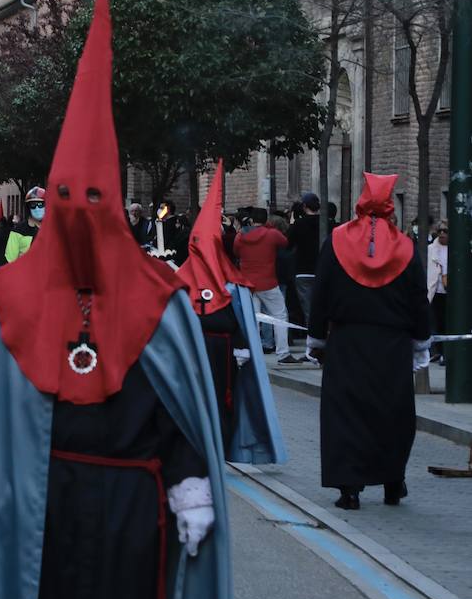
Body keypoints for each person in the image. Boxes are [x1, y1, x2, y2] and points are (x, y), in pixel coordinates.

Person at [0, 0, 233, 599]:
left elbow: (180, 413)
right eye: (68, 198)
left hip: (132, 514)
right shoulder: (13, 299)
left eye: (95, 198)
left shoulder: (160, 301)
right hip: (36, 513)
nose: (80, 213)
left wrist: (191, 479)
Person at [310, 173, 430, 511]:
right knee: (391, 414)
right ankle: (393, 481)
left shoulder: (336, 241)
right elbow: (418, 298)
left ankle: (349, 488)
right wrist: (421, 342)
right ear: (391, 207)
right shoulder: (405, 247)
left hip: (347, 342)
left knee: (345, 414)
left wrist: (316, 337)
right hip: (391, 346)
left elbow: (321, 293)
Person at [177, 162, 288, 463]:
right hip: (194, 355)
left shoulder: (232, 285)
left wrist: (242, 344)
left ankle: (223, 447)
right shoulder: (178, 283)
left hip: (224, 355)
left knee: (224, 401)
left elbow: (240, 320)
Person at [235, 208, 292, 359]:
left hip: (248, 283)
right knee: (280, 315)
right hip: (268, 282)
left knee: (251, 318)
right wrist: (269, 227)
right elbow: (285, 242)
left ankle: (248, 352)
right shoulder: (272, 234)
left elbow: (236, 251)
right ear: (266, 220)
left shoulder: (241, 235)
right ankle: (283, 352)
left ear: (251, 220)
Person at [5, 186, 45, 264]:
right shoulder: (17, 231)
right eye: (33, 205)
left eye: (41, 204)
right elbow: (10, 260)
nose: (37, 208)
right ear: (28, 208)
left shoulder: (53, 230)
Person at [427, 221, 449, 365]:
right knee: (435, 322)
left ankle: (446, 353)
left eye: (445, 231)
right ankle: (436, 351)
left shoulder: (455, 249)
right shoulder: (431, 249)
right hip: (435, 291)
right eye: (440, 230)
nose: (442, 233)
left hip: (449, 292)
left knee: (447, 323)